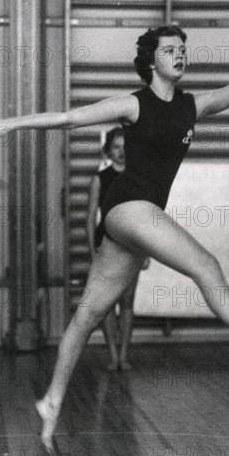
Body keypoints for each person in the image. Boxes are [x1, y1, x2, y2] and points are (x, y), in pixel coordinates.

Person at [0, 25, 229, 451]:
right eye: (170, 50)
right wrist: (5, 124)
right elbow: (68, 117)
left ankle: (51, 401)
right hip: (128, 206)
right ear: (151, 61)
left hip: (133, 221)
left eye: (183, 48)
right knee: (207, 266)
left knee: (88, 315)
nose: (180, 54)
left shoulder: (193, 106)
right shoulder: (134, 103)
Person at [87, 127, 143, 371]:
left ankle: (124, 356)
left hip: (132, 245)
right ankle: (112, 356)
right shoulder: (100, 179)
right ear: (108, 150)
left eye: (126, 146)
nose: (122, 152)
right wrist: (92, 251)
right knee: (107, 303)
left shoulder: (139, 178)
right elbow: (90, 219)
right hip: (106, 244)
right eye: (117, 147)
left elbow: (147, 217)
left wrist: (147, 250)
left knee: (128, 302)